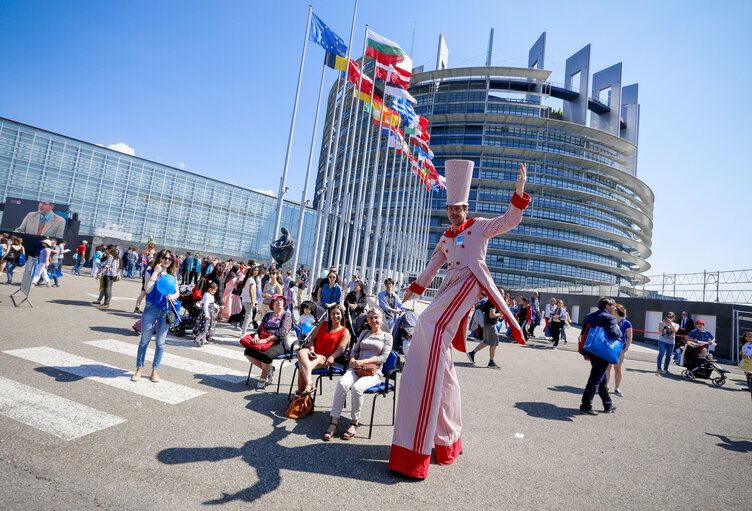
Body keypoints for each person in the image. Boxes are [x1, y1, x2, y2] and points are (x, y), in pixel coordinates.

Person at [390, 160, 529, 479]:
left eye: (459, 207)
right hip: (448, 287)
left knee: (429, 328)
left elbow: (509, 220)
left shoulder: (480, 225)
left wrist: (519, 192)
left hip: (470, 281)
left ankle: (417, 448)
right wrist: (413, 290)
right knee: (442, 362)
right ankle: (448, 441)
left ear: (466, 207)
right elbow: (431, 268)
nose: (454, 212)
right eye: (450, 207)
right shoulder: (445, 236)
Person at [324, 308, 393, 441]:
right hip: (357, 368)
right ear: (367, 320)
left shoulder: (387, 336)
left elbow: (383, 358)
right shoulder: (364, 333)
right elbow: (354, 351)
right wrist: (352, 359)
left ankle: (354, 423)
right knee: (342, 383)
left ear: (381, 319)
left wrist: (364, 361)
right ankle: (334, 421)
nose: (373, 320)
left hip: (373, 372)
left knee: (357, 388)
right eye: (370, 318)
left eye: (376, 317)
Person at [132, 249, 180, 383]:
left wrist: (172, 296)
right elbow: (147, 289)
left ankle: (155, 371)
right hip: (151, 309)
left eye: (170, 259)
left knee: (160, 342)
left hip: (165, 309)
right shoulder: (150, 271)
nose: (167, 261)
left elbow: (177, 292)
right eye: (164, 258)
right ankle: (139, 369)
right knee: (144, 340)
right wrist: (156, 272)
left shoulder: (172, 275)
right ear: (159, 258)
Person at [578, 297, 621, 415]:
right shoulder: (610, 318)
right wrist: (619, 330)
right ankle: (586, 406)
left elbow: (583, 334)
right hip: (603, 351)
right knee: (595, 379)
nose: (615, 308)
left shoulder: (589, 316)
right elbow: (614, 335)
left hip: (592, 349)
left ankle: (608, 404)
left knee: (602, 378)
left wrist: (585, 352)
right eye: (614, 306)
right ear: (607, 306)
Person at [295, 304, 350, 396]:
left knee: (303, 367)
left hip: (324, 357)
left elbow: (341, 349)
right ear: (329, 315)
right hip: (313, 352)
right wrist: (312, 349)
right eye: (333, 314)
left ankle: (301, 393)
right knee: (301, 352)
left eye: (338, 314)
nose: (335, 316)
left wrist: (333, 356)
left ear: (342, 315)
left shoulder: (344, 331)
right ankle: (309, 384)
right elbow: (312, 339)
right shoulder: (322, 324)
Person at [243, 294, 292, 390]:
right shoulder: (268, 315)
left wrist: (267, 339)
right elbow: (260, 328)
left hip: (279, 343)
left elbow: (282, 333)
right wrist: (256, 336)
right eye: (276, 301)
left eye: (281, 300)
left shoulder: (286, 315)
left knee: (266, 356)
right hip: (264, 341)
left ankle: (263, 376)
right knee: (248, 352)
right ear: (272, 304)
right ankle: (269, 369)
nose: (279, 302)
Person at [466, 296, 501, 368]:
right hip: (491, 325)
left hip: (486, 324)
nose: (503, 296)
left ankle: (472, 353)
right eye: (502, 294)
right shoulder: (493, 302)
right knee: (494, 343)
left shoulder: (489, 300)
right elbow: (492, 314)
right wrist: (500, 314)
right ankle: (491, 362)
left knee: (486, 342)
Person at [606, 304, 632, 397]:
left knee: (618, 368)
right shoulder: (610, 320)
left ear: (617, 310)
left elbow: (629, 337)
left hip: (620, 348)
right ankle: (606, 386)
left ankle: (617, 388)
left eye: (614, 308)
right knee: (607, 367)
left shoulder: (626, 323)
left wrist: (627, 347)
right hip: (609, 346)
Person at [194, 281, 219, 346]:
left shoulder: (208, 294)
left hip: (208, 313)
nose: (215, 291)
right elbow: (205, 305)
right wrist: (207, 315)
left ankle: (204, 340)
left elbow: (212, 304)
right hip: (206, 314)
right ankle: (197, 340)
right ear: (210, 289)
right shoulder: (208, 296)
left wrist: (218, 307)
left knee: (206, 328)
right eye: (215, 290)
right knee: (204, 328)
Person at [239, 265, 259, 335]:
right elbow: (251, 291)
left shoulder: (249, 279)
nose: (256, 272)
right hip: (248, 300)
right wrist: (253, 302)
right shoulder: (251, 279)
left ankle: (243, 328)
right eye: (255, 270)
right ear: (252, 271)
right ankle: (243, 331)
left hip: (246, 299)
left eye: (257, 270)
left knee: (248, 315)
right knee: (248, 315)